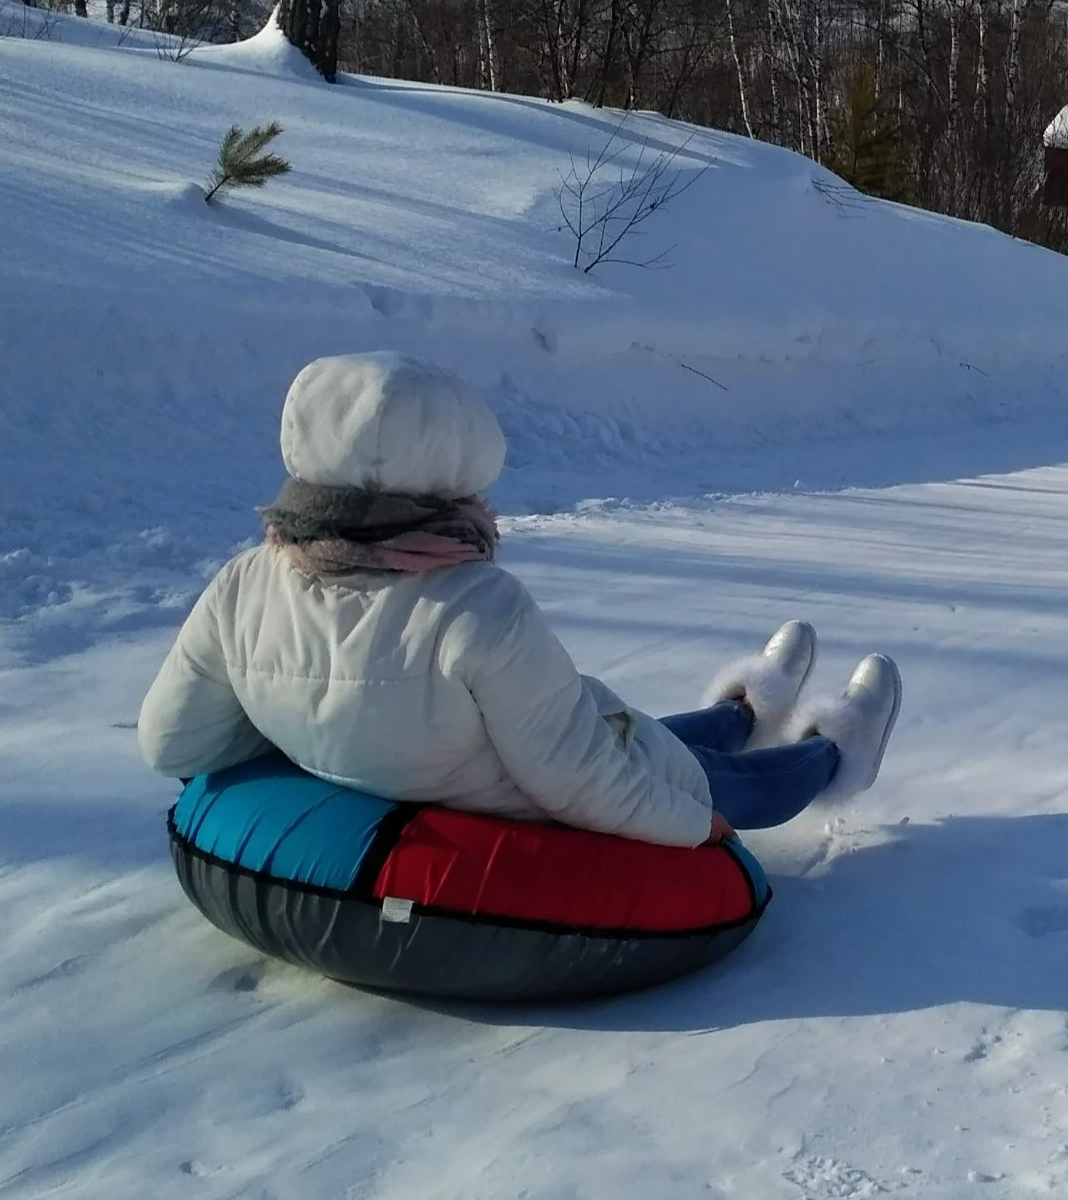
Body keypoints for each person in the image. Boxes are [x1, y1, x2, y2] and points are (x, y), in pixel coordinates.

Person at [138, 352, 902, 846]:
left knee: (647, 733)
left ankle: (745, 711)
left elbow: (175, 744)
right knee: (724, 781)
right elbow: (575, 777)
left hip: (458, 769)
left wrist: (318, 725)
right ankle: (839, 747)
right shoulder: (474, 603)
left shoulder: (243, 581)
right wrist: (696, 827)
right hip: (522, 804)